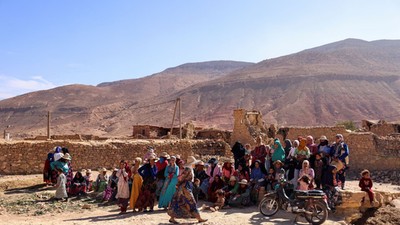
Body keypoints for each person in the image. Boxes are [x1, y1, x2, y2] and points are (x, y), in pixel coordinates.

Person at [168, 156, 207, 224]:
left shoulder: (189, 168)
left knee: (179, 202)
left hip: (185, 187)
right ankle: (199, 218)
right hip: (185, 188)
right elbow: (181, 178)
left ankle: (172, 218)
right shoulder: (188, 169)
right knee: (191, 202)